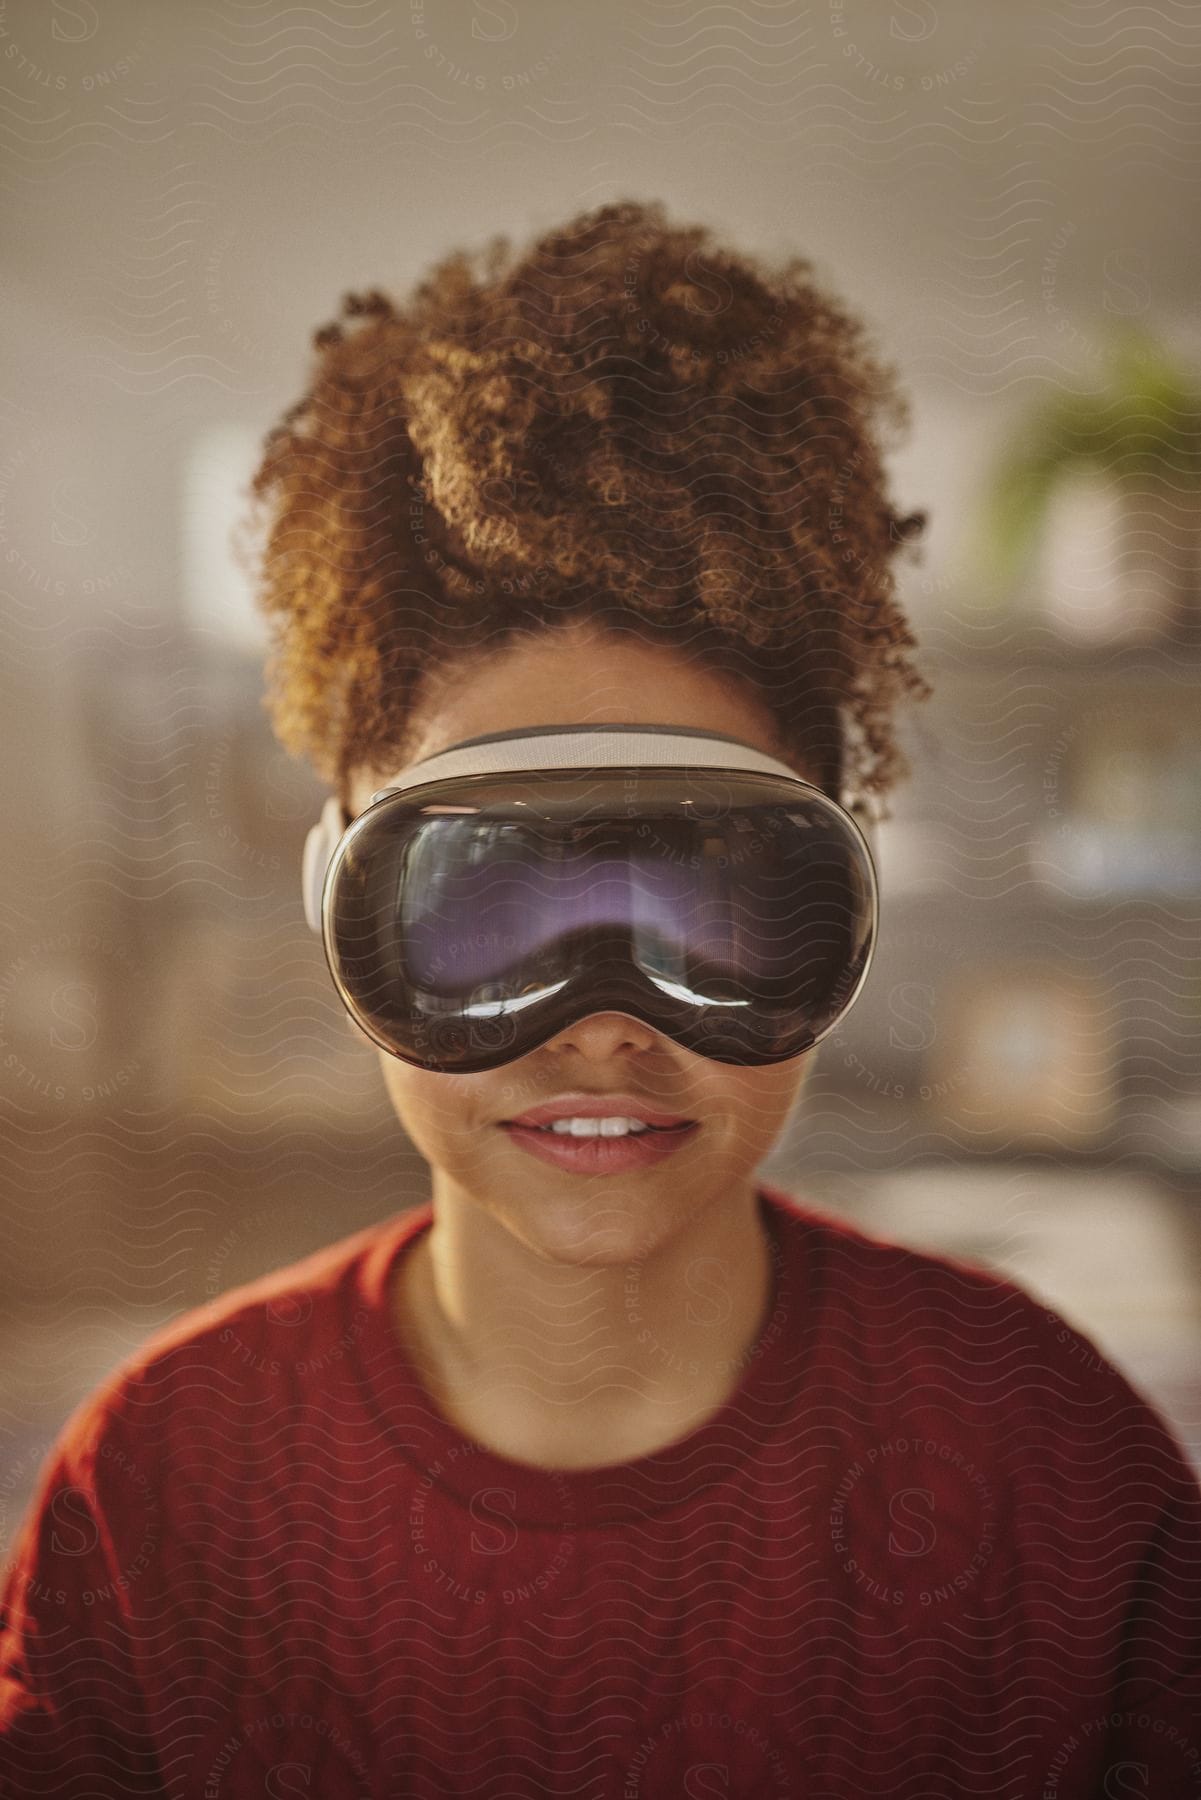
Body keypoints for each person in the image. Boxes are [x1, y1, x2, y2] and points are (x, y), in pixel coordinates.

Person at [2, 200, 1198, 1798]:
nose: (603, 1026)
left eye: (709, 905)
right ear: (337, 904)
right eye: (492, 904)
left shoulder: (1047, 1456)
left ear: (837, 907)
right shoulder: (161, 1485)